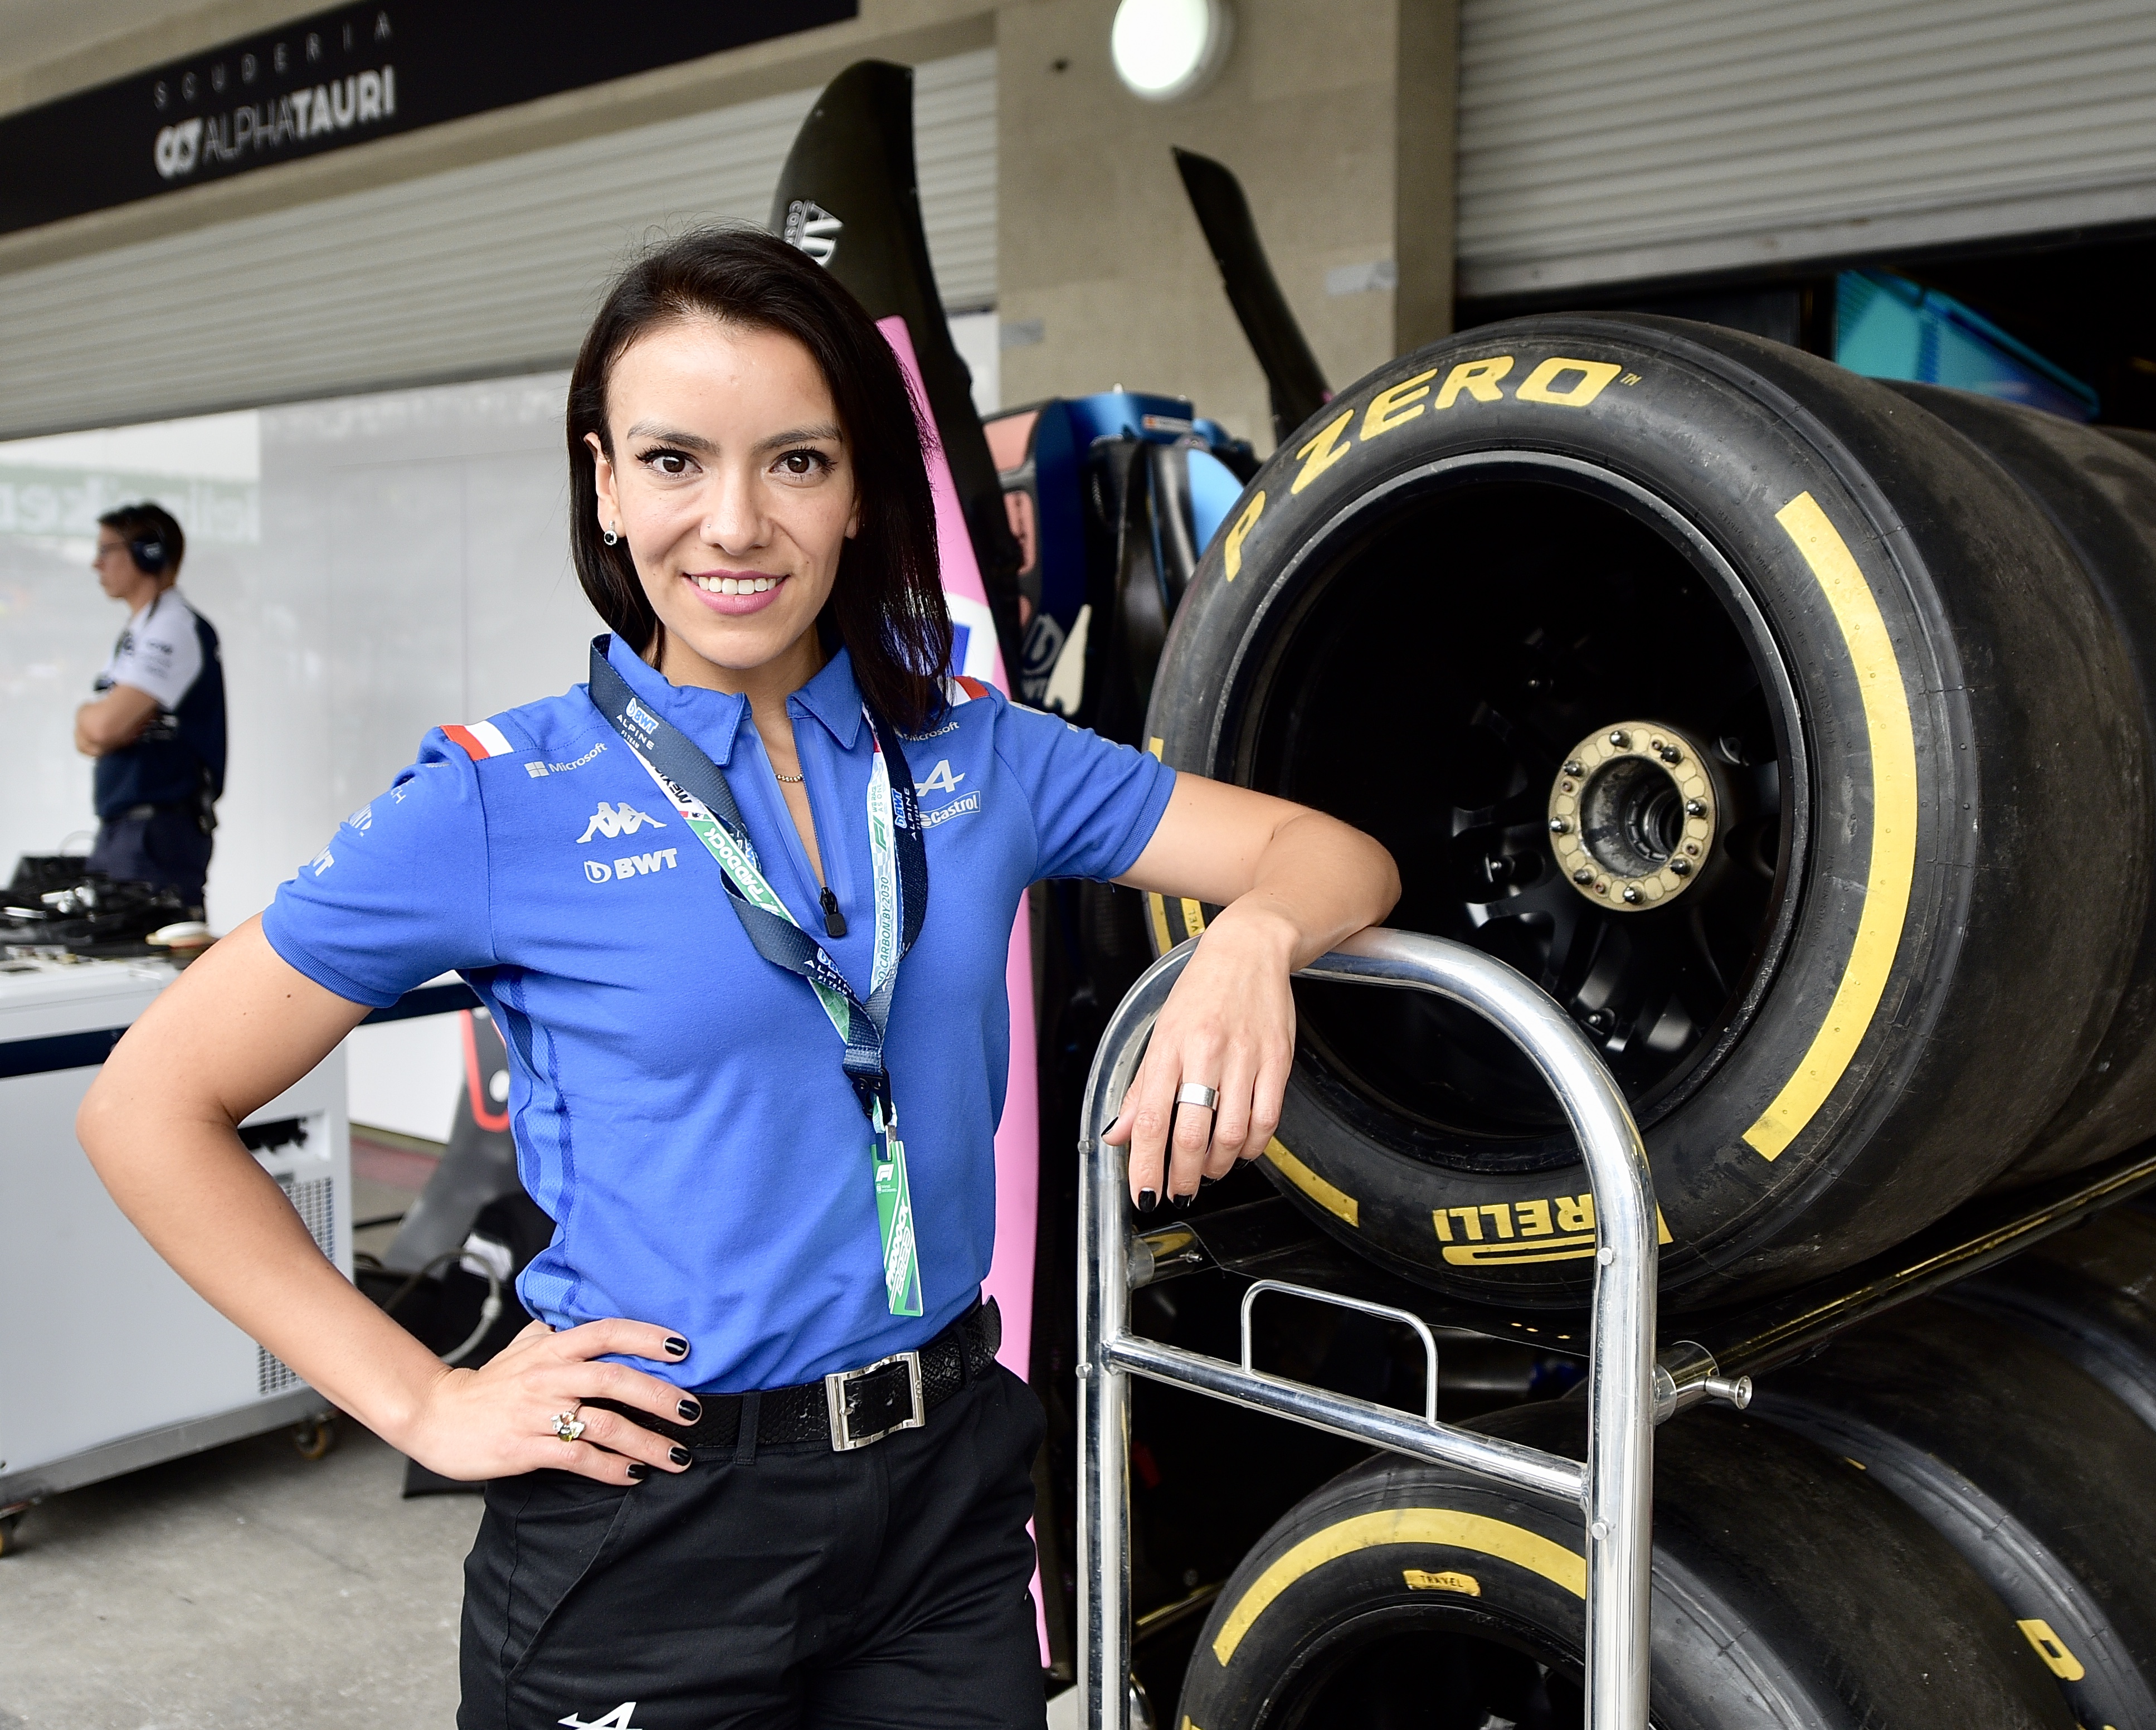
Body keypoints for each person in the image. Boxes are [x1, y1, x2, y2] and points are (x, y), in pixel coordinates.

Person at [76, 230, 1398, 1729]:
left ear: (856, 491)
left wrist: (1250, 940)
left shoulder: (978, 755)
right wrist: (419, 1400)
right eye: (673, 461)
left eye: (795, 461)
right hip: (653, 1515)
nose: (734, 523)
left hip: (944, 1493)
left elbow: (1331, 854)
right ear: (605, 485)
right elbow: (150, 1106)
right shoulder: (503, 798)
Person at [74, 501, 226, 914]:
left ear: (148, 552)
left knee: (148, 963)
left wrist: (91, 718)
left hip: (154, 833)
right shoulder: (141, 629)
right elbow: (91, 735)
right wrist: (94, 722)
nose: (96, 564)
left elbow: (101, 729)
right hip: (131, 830)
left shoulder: (173, 627)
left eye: (107, 550)